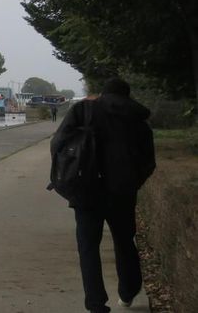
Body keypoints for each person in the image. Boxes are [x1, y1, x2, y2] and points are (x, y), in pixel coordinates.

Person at [51, 78, 156, 312]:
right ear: (126, 96)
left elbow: (58, 143)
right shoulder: (137, 120)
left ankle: (96, 304)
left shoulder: (84, 110)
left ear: (103, 93)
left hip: (85, 188)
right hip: (122, 192)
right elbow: (148, 161)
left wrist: (67, 177)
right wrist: (132, 182)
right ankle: (128, 291)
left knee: (88, 247)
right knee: (124, 241)